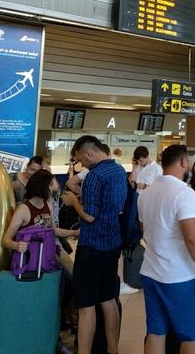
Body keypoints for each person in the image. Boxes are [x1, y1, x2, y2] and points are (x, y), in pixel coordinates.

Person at [137, 144, 195, 354]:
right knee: (190, 336)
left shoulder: (146, 193)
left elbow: (144, 229)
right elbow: (192, 237)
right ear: (183, 162)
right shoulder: (184, 192)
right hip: (180, 277)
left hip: (151, 272)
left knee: (155, 332)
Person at [60, 135, 128, 354]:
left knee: (86, 306)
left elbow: (89, 216)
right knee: (109, 299)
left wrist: (73, 202)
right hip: (113, 244)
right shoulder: (118, 171)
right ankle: (112, 349)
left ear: (88, 153)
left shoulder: (94, 176)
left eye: (81, 158)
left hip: (92, 246)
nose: (81, 163)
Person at [2, 169, 79, 271]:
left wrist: (74, 232)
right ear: (42, 187)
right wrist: (16, 245)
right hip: (32, 253)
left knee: (72, 271)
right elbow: (5, 240)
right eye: (50, 185)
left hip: (49, 247)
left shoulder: (48, 204)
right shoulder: (23, 209)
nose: (53, 188)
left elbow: (54, 231)